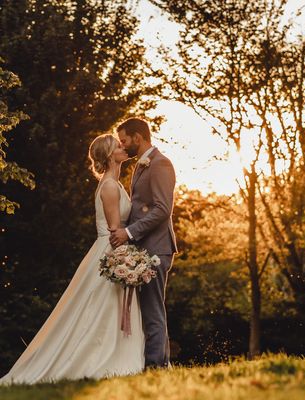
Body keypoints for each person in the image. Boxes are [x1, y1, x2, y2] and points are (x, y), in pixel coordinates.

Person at [0, 134, 145, 385]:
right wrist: (126, 261)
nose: (123, 148)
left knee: (106, 306)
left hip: (112, 249)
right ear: (110, 154)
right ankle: (99, 359)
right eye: (117, 145)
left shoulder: (115, 183)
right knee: (103, 306)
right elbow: (114, 230)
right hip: (111, 251)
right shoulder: (110, 186)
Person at [110, 117, 177, 369]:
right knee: (149, 308)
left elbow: (162, 209)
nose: (123, 145)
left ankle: (156, 366)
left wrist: (128, 233)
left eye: (124, 140)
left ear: (138, 138)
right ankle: (160, 363)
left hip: (157, 248)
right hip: (145, 248)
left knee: (152, 309)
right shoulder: (141, 164)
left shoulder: (160, 164)